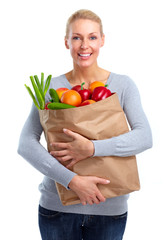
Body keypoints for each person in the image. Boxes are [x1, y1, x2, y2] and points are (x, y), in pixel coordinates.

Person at [18, 9, 152, 240]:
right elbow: (26, 144)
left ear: (102, 40)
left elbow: (144, 137)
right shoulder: (51, 87)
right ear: (66, 42)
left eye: (91, 37)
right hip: (57, 207)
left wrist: (92, 148)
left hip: (109, 207)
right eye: (77, 37)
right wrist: (72, 181)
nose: (84, 45)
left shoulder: (122, 85)